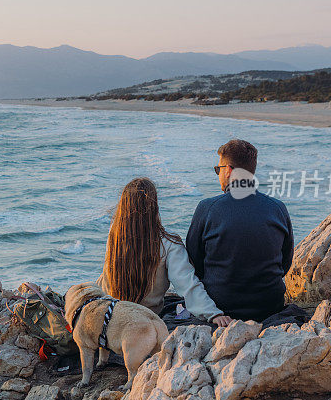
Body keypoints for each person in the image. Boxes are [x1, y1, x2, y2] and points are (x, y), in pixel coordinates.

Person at [97, 177, 232, 327]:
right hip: (146, 318)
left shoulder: (115, 235)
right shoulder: (168, 242)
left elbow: (106, 277)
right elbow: (187, 284)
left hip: (112, 314)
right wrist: (212, 313)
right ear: (154, 206)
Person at [186, 139, 296, 323]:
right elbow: (285, 263)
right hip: (269, 306)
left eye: (218, 169)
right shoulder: (278, 208)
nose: (218, 174)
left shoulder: (208, 208)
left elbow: (193, 263)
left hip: (221, 307)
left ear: (228, 170)